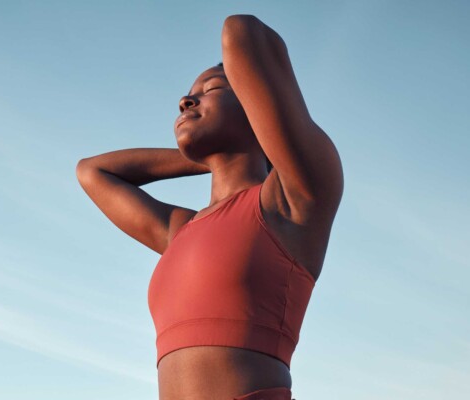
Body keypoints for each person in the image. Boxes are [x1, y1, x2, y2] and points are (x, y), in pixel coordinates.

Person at [76, 14, 343, 400]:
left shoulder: (294, 199)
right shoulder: (181, 229)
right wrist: (208, 155)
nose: (187, 100)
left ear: (256, 108)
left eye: (211, 88)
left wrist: (255, 139)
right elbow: (92, 172)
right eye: (188, 95)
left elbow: (242, 32)